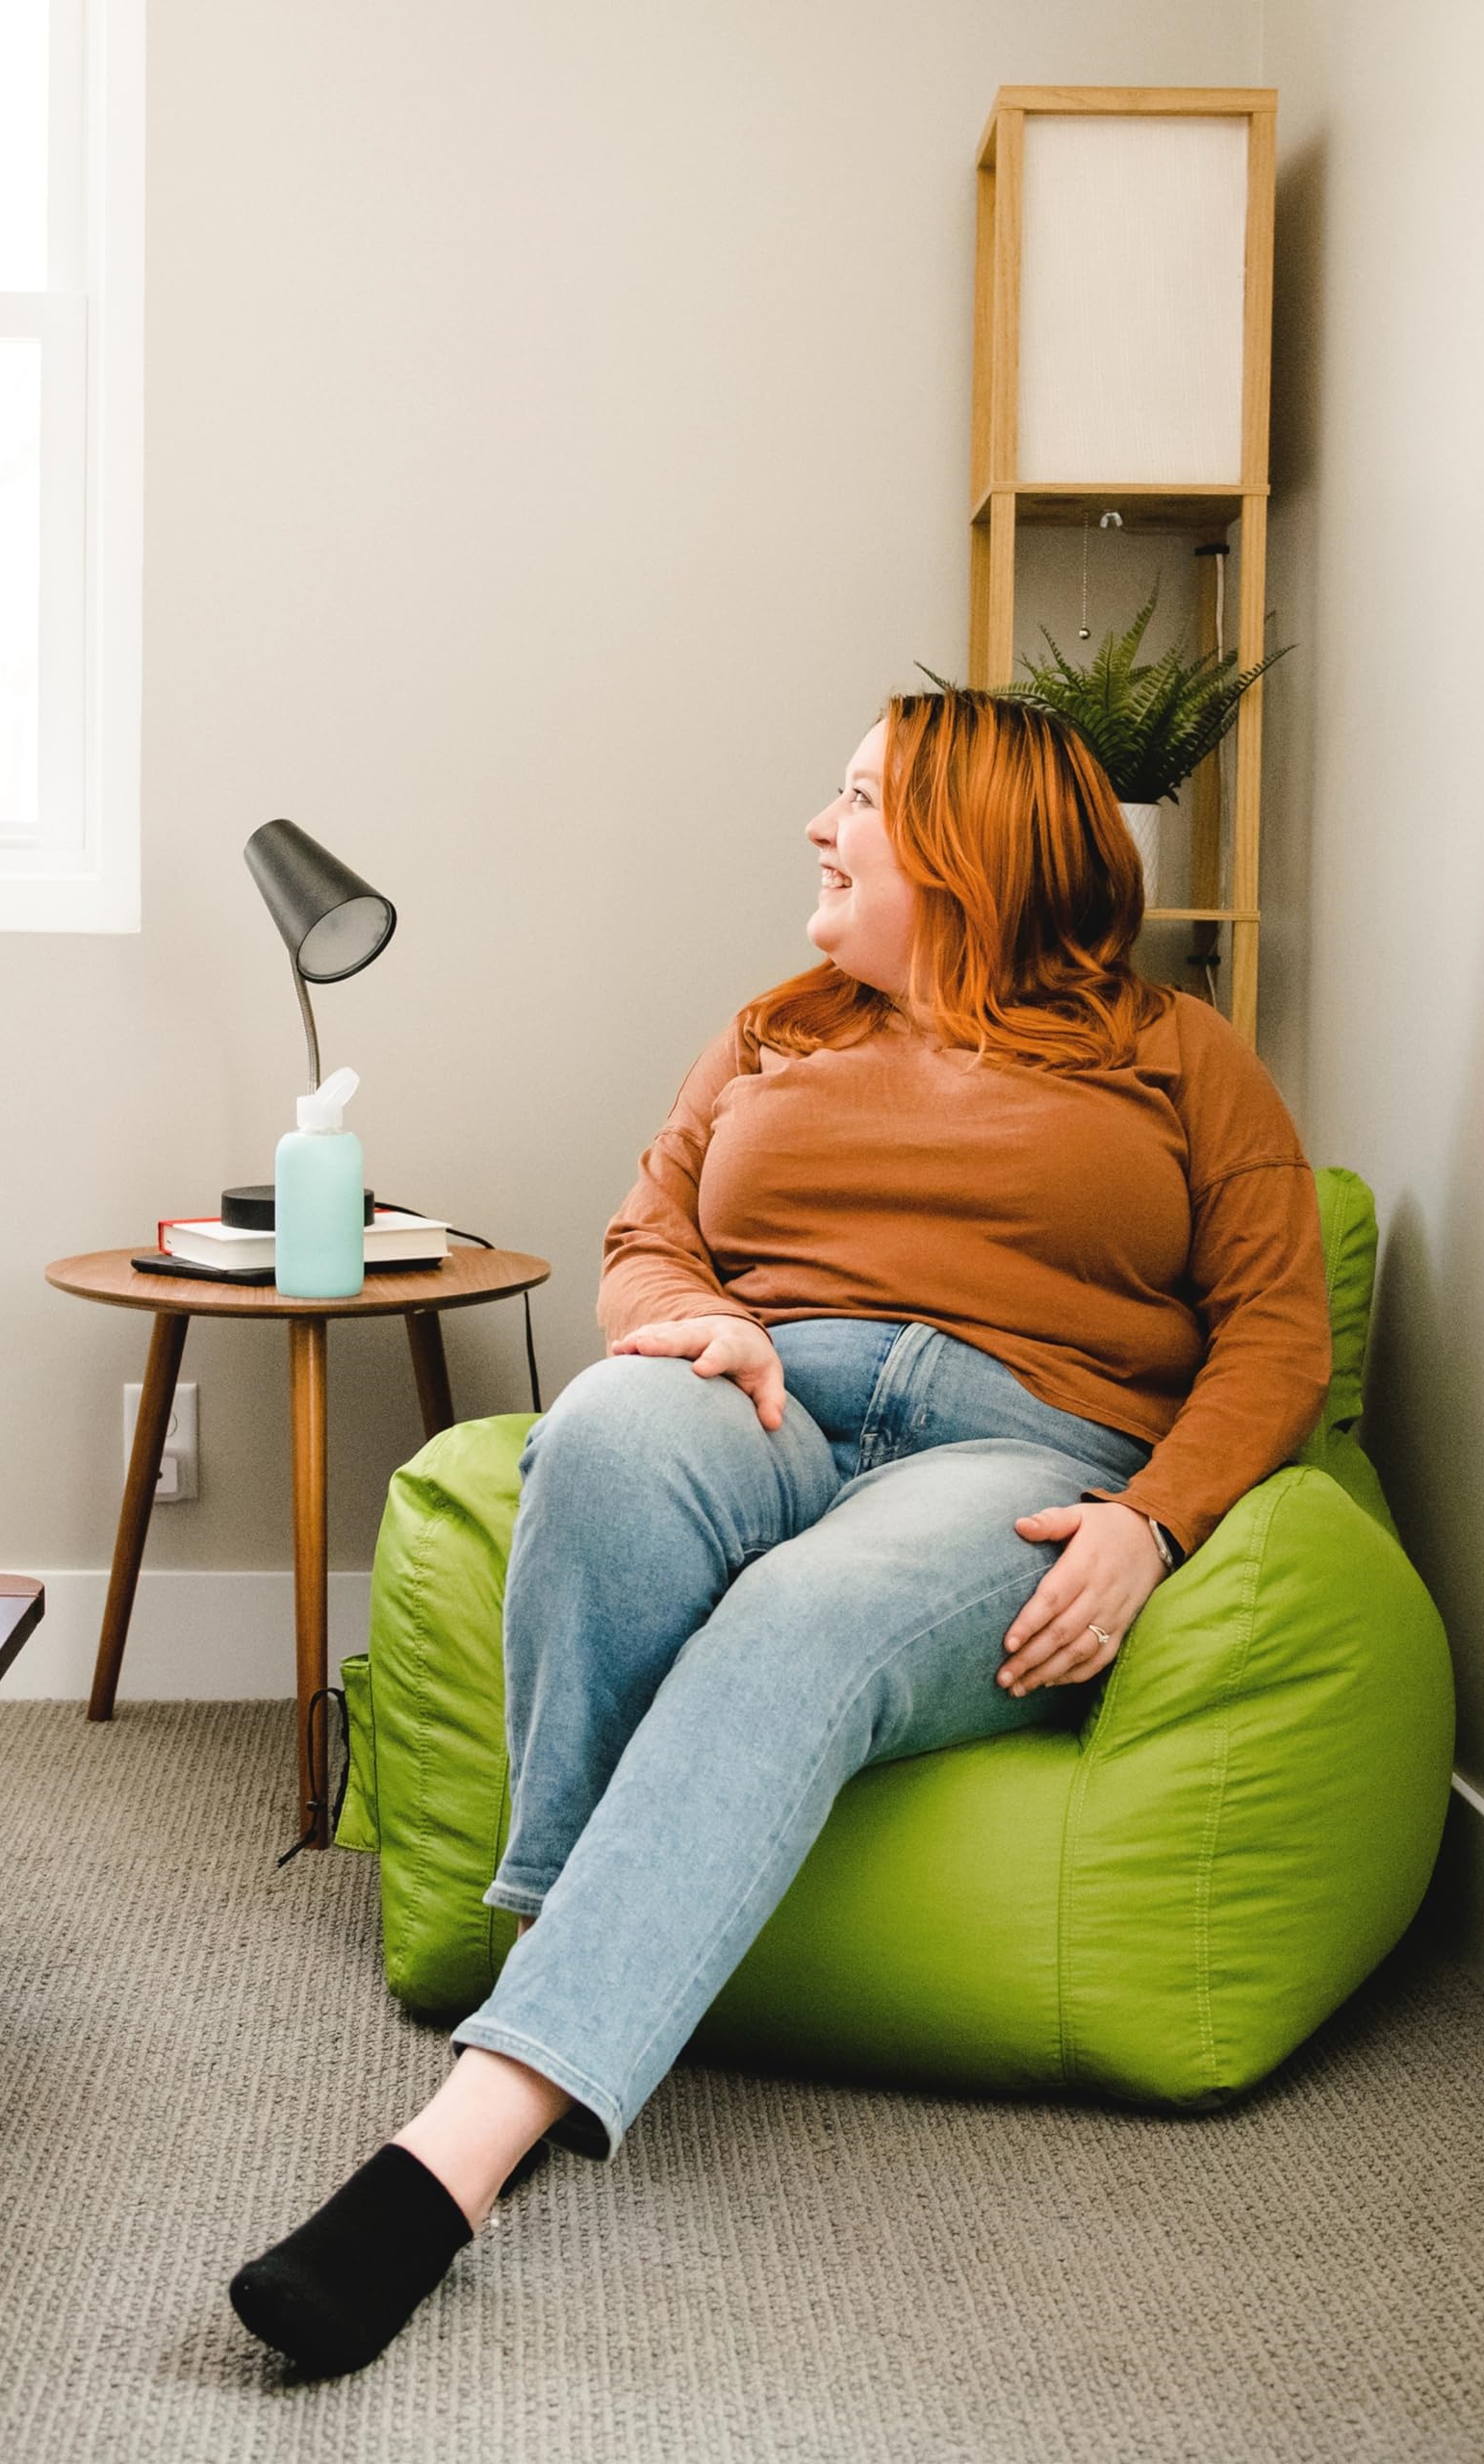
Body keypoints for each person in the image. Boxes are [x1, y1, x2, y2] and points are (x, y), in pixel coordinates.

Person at [229, 689, 1330, 2375]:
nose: (820, 828)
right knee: (600, 1434)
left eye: (860, 800)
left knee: (804, 1617)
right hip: (766, 1395)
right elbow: (647, 1233)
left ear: (969, 844)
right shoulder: (773, 1027)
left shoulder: (1179, 1054)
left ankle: (459, 2151)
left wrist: (1155, 1527)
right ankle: (567, 1955)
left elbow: (1277, 1332)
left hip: (1023, 1449)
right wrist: (695, 1324)